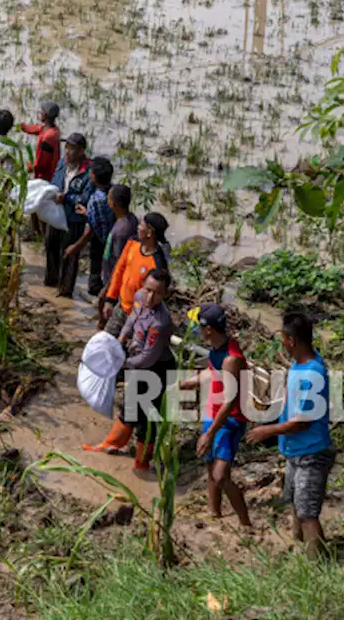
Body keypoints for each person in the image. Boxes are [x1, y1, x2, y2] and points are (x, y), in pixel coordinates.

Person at [247, 312, 334, 559]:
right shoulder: (299, 364)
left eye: (283, 339)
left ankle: (318, 567)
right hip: (295, 452)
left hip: (312, 453)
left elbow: (303, 422)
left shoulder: (312, 374)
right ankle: (303, 552)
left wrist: (268, 430)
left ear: (292, 340)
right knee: (297, 506)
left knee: (307, 514)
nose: (282, 344)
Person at [83, 268, 176, 472]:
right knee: (130, 406)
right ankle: (113, 444)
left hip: (157, 368)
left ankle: (142, 463)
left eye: (157, 293)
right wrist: (120, 341)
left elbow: (148, 357)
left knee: (147, 416)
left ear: (165, 295)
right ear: (143, 286)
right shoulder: (139, 297)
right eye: (148, 289)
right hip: (137, 359)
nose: (150, 296)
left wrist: (122, 364)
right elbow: (132, 320)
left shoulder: (161, 322)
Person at [179, 303, 252, 529]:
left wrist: (209, 433)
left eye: (199, 327)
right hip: (213, 413)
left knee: (221, 475)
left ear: (208, 329)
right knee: (210, 467)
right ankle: (214, 513)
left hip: (229, 421)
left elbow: (230, 402)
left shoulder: (231, 358)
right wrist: (187, 382)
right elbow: (212, 373)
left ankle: (246, 523)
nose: (198, 332)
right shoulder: (217, 349)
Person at [100, 212, 169, 335]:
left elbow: (157, 295)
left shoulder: (158, 264)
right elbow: (119, 271)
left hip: (138, 315)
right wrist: (110, 299)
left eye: (141, 224)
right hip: (120, 307)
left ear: (149, 233)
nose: (138, 227)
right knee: (106, 341)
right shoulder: (132, 243)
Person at [49, 134, 92, 294]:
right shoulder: (62, 163)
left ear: (81, 151)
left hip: (74, 219)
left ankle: (65, 291)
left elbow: (86, 198)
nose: (67, 151)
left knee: (69, 254)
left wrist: (66, 198)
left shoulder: (88, 172)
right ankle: (51, 284)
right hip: (56, 214)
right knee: (51, 247)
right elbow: (55, 181)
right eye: (66, 147)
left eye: (72, 148)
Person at [64, 155, 113, 298]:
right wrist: (88, 213)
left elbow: (90, 231)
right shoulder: (112, 192)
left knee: (96, 282)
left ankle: (101, 308)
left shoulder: (97, 198)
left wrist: (74, 248)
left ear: (94, 176)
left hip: (102, 244)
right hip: (111, 241)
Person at [99, 184, 137, 307]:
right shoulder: (130, 219)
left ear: (113, 203)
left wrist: (109, 288)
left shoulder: (122, 231)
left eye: (109, 198)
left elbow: (120, 262)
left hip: (115, 282)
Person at [19, 101, 61, 181]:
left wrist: (26, 167)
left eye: (41, 111)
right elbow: (38, 129)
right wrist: (24, 127)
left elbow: (41, 164)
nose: (40, 113)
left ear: (45, 114)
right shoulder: (54, 129)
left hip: (45, 178)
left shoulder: (48, 138)